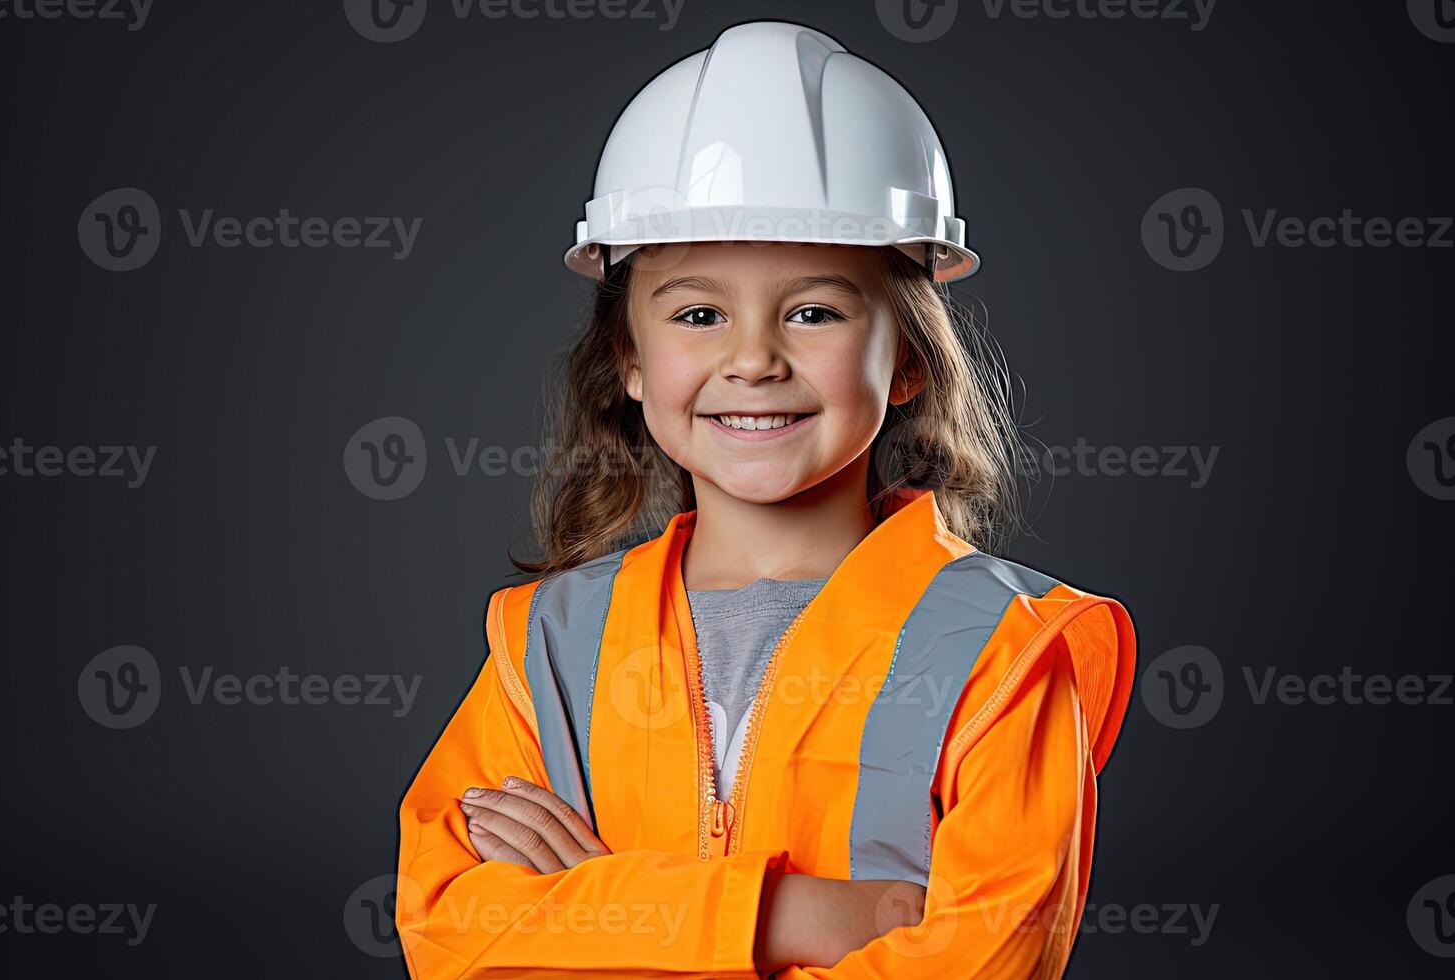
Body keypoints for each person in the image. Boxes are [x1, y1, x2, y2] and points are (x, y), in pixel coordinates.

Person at [395, 20, 1135, 978]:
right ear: (628, 358)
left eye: (815, 311)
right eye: (699, 314)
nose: (753, 359)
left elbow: (983, 964)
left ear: (906, 358)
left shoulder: (1006, 654)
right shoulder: (549, 644)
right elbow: (446, 927)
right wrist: (795, 916)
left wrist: (605, 912)